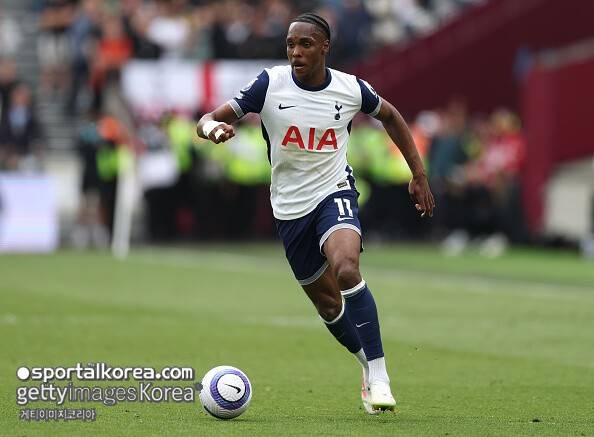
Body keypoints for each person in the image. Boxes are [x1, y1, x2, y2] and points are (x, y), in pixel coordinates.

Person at [196, 12, 434, 414]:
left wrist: (418, 174)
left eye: (305, 44)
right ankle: (365, 367)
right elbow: (206, 119)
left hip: (334, 191)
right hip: (289, 208)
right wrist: (213, 130)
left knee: (346, 268)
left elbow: (391, 116)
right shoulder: (269, 84)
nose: (296, 52)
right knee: (328, 305)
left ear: (325, 47)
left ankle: (380, 375)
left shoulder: (350, 88)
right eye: (290, 44)